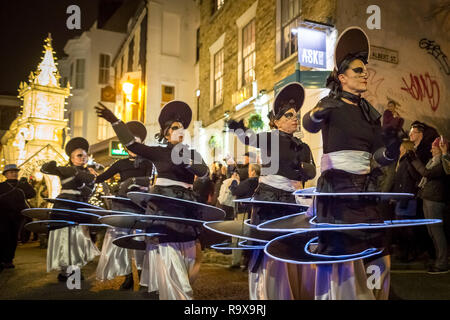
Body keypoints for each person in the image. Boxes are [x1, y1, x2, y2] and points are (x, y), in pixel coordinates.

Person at [302, 26, 403, 300]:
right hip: (339, 192)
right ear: (342, 77)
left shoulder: (371, 114)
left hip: (367, 192)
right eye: (358, 70)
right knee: (345, 255)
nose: (365, 73)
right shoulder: (331, 105)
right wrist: (316, 112)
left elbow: (379, 156)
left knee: (378, 252)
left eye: (365, 70)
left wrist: (392, 147)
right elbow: (309, 125)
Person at [95, 100, 209, 300]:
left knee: (190, 258)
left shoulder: (191, 153)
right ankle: (178, 296)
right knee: (168, 251)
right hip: (164, 208)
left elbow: (205, 172)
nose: (179, 130)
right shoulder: (158, 152)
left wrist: (187, 161)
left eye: (182, 127)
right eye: (175, 128)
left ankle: (174, 289)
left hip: (186, 209)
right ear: (166, 133)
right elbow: (132, 144)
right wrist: (115, 121)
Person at [228, 81, 316, 300]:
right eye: (288, 115)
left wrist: (300, 169)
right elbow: (248, 137)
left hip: (292, 202)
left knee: (292, 248)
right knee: (269, 250)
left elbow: (311, 170)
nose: (295, 117)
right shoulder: (269, 138)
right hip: (268, 202)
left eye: (296, 114)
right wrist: (236, 126)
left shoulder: (303, 146)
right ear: (276, 122)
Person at [94, 121, 154, 290]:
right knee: (121, 241)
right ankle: (127, 276)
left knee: (140, 241)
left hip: (141, 206)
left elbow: (149, 180)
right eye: (128, 142)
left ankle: (143, 276)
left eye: (134, 142)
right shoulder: (120, 163)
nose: (131, 146)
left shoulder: (148, 163)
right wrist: (92, 174)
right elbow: (101, 177)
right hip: (122, 206)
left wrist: (132, 181)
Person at [40, 137, 100, 281]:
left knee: (79, 239)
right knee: (63, 238)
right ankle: (65, 271)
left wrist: (79, 179)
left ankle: (75, 269)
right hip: (64, 207)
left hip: (80, 207)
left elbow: (89, 191)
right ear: (72, 158)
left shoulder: (90, 174)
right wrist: (51, 166)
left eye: (85, 155)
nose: (83, 158)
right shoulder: (64, 170)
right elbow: (46, 169)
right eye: (79, 155)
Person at [406, 137, 449, 274]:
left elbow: (427, 173)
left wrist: (414, 159)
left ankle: (443, 263)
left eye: (434, 147)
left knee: (437, 233)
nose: (431, 150)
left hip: (435, 200)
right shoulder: (434, 161)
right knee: (432, 232)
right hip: (428, 198)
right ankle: (439, 260)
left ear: (442, 148)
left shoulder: (443, 162)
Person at [0, 164, 36, 269]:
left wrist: (27, 185)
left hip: (17, 217)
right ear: (6, 174)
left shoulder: (22, 185)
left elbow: (32, 194)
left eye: (15, 172)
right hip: (3, 216)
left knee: (13, 238)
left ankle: (8, 260)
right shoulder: (1, 186)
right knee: (2, 237)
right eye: (11, 172)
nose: (14, 174)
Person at [392, 140, 421, 262]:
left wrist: (402, 198)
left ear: (405, 148)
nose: (399, 148)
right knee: (402, 228)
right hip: (403, 199)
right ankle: (405, 253)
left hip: (406, 200)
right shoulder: (403, 161)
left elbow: (408, 181)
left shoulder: (407, 162)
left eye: (401, 146)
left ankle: (409, 253)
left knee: (406, 228)